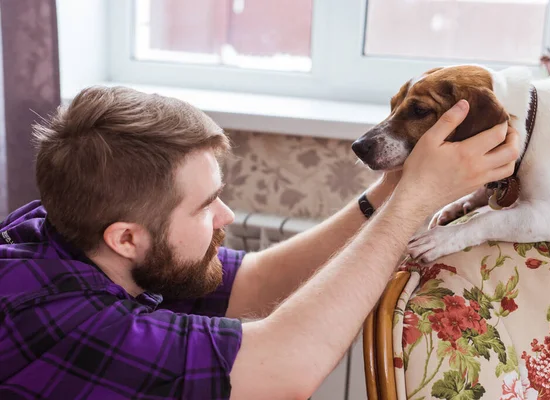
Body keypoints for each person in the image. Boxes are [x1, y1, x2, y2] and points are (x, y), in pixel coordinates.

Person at [0, 86, 518, 399]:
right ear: (127, 237)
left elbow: (256, 281)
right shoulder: (71, 321)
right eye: (205, 206)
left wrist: (391, 192)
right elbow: (286, 368)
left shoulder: (66, 230)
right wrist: (415, 204)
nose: (225, 215)